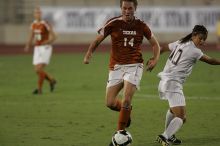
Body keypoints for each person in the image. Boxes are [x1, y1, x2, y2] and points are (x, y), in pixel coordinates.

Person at [83, 0, 160, 144]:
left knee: (126, 99)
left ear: (135, 8)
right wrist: (89, 53)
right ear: (120, 8)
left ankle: (120, 133)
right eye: (124, 8)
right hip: (116, 67)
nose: (127, 11)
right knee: (110, 103)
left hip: (134, 65)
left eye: (130, 8)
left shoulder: (141, 25)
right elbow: (98, 39)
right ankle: (126, 113)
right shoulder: (113, 23)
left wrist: (155, 59)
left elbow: (155, 44)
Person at [156, 25, 220, 146]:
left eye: (204, 39)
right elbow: (210, 60)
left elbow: (163, 48)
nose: (202, 41)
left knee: (173, 110)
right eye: (200, 38)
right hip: (173, 84)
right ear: (194, 35)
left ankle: (170, 135)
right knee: (181, 117)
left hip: (165, 81)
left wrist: (154, 59)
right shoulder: (195, 51)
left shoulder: (182, 41)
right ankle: (165, 136)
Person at [24, 6, 57, 94]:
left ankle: (39, 90)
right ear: (34, 15)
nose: (38, 14)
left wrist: (47, 42)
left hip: (45, 48)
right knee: (37, 70)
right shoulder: (33, 24)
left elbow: (54, 37)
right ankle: (51, 80)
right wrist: (28, 45)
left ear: (41, 14)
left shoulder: (45, 23)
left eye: (39, 13)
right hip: (37, 48)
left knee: (39, 69)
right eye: (36, 13)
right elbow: (31, 36)